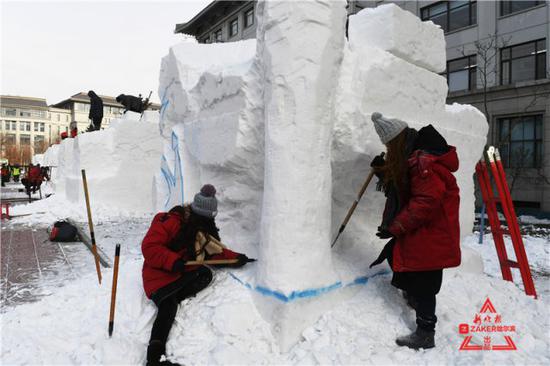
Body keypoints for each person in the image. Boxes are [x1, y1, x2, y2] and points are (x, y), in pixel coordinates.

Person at [369, 112, 460, 350]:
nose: (389, 150)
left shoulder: (424, 163)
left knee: (426, 282)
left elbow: (425, 202)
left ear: (398, 141)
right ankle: (414, 298)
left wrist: (396, 227)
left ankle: (425, 332)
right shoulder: (414, 157)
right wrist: (383, 171)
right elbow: (405, 185)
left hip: (432, 232)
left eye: (390, 145)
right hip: (425, 231)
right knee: (396, 257)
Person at [142, 184, 253, 366]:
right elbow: (150, 247)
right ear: (195, 212)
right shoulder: (168, 221)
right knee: (168, 306)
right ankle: (154, 359)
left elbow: (213, 250)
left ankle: (174, 294)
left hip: (178, 270)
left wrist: (237, 258)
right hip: (158, 273)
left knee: (204, 273)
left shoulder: (198, 227)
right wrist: (172, 261)